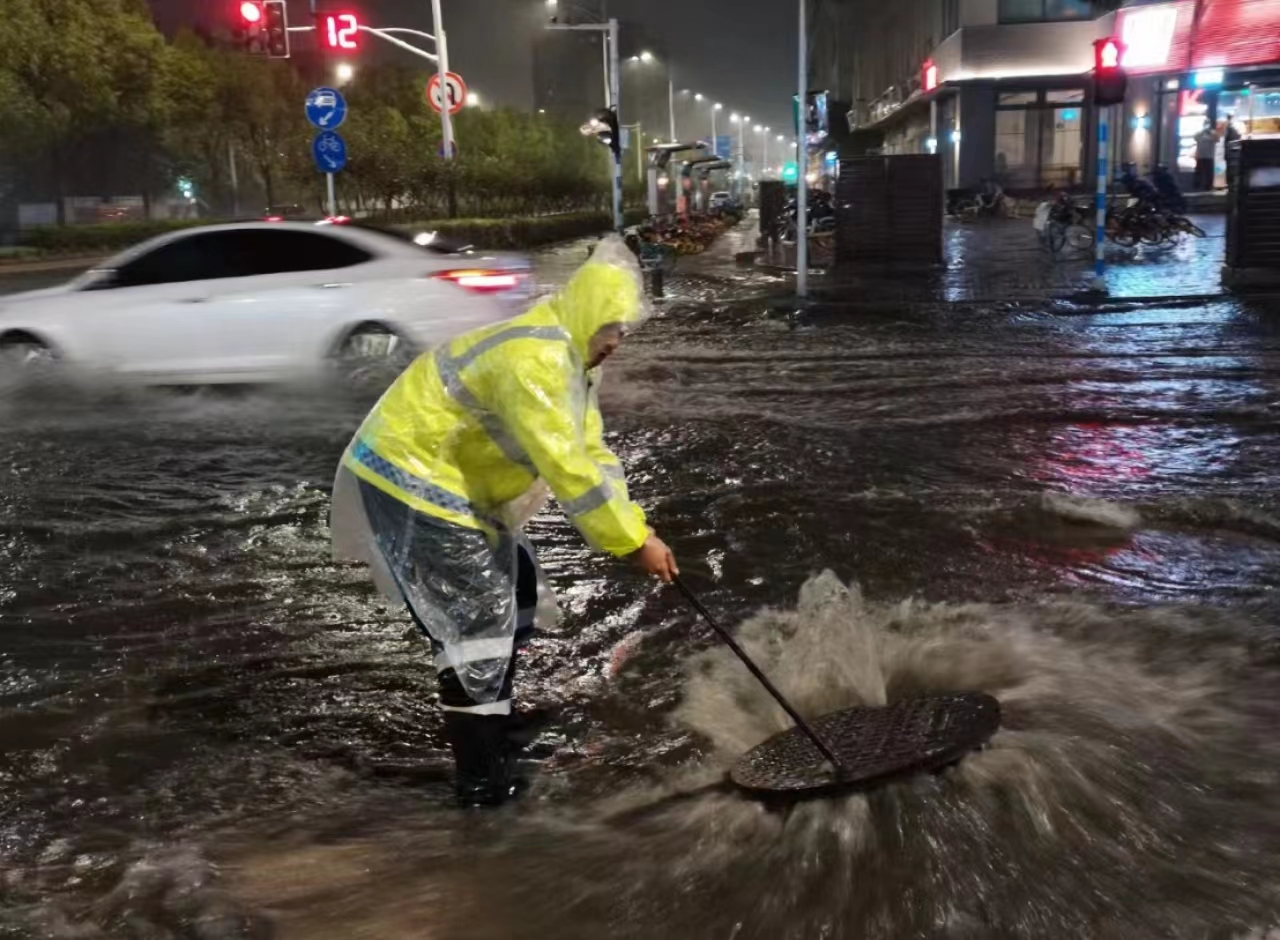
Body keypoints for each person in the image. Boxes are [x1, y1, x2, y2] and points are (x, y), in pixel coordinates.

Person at [330, 236, 679, 807]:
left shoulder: (570, 362)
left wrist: (639, 530)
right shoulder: (536, 361)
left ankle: (500, 725)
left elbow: (592, 454)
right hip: (413, 481)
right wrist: (630, 543)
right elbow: (569, 469)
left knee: (510, 596)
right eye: (611, 327)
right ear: (587, 314)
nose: (616, 341)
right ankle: (483, 781)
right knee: (477, 626)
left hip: (455, 488)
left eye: (623, 330)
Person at [1194, 120, 1217, 191]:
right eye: (1205, 124)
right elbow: (1195, 137)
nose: (1206, 125)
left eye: (1207, 124)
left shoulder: (1213, 133)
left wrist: (1210, 133)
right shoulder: (1199, 133)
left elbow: (1217, 139)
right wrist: (1203, 131)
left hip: (1209, 156)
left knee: (1209, 173)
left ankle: (1208, 187)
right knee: (1199, 172)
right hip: (1200, 156)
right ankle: (1197, 186)